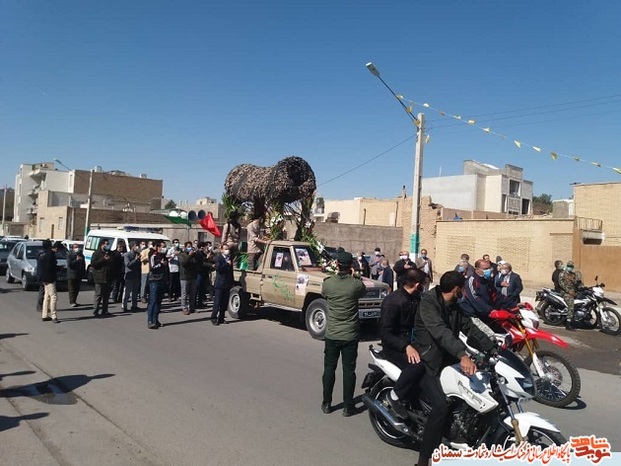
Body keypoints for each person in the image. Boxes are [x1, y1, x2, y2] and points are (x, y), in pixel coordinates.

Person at [412, 271, 496, 466]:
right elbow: (440, 332)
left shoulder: (455, 307)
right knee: (440, 407)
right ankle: (423, 460)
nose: (465, 292)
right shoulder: (428, 303)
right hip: (427, 360)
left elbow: (471, 329)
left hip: (447, 359)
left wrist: (493, 348)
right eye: (464, 288)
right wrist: (463, 355)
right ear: (457, 289)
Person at [320, 251, 367, 417]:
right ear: (351, 266)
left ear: (337, 264)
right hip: (350, 335)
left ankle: (327, 403)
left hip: (332, 334)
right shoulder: (356, 284)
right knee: (349, 371)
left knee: (329, 369)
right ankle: (348, 406)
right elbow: (363, 292)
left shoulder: (328, 283)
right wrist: (355, 276)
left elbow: (324, 295)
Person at [379, 268, 427, 418]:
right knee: (417, 365)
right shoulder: (393, 302)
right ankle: (394, 397)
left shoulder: (417, 299)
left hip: (414, 343)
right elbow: (385, 333)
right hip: (395, 347)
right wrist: (405, 347)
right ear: (417, 284)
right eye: (424, 284)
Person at [147, 241, 169, 329]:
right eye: (162, 247)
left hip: (162, 280)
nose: (163, 249)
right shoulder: (154, 256)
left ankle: (155, 319)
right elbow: (152, 267)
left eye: (164, 247)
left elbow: (166, 268)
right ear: (157, 247)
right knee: (153, 301)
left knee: (159, 302)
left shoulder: (163, 256)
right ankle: (150, 320)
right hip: (154, 281)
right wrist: (161, 264)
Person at [210, 243, 234, 325]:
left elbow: (231, 272)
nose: (227, 250)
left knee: (224, 303)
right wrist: (226, 264)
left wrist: (232, 282)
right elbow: (218, 268)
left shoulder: (229, 258)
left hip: (227, 284)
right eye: (225, 249)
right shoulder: (219, 258)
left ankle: (221, 318)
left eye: (228, 249)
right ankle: (213, 317)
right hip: (219, 284)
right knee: (217, 302)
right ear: (221, 250)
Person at [91, 239, 115, 317]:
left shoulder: (110, 253)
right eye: (106, 244)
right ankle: (95, 311)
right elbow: (93, 264)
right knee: (98, 295)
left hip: (108, 277)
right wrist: (103, 259)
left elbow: (113, 263)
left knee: (106, 295)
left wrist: (110, 259)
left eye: (108, 244)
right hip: (99, 277)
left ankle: (105, 310)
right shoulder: (96, 253)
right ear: (102, 244)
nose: (107, 245)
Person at [559, 260, 582, 331]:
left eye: (571, 267)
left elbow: (576, 283)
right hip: (565, 292)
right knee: (571, 304)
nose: (570, 268)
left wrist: (581, 286)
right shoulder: (562, 274)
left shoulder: (573, 275)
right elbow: (561, 284)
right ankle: (568, 324)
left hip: (572, 291)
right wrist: (568, 291)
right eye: (569, 266)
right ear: (567, 266)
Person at [40, 240, 60, 323]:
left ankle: (44, 315)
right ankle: (53, 316)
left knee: (47, 297)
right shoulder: (51, 255)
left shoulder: (45, 254)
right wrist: (58, 269)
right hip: (50, 278)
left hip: (45, 278)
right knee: (53, 297)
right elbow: (50, 268)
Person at [179, 241, 199, 315]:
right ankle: (184, 307)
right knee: (184, 293)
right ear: (185, 247)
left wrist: (195, 254)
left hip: (192, 276)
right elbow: (183, 263)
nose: (189, 248)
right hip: (184, 276)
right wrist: (189, 255)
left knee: (192, 293)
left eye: (191, 246)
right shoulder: (181, 255)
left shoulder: (194, 255)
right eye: (188, 246)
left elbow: (197, 263)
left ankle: (192, 307)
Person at [122, 241, 142, 312]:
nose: (137, 247)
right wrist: (135, 260)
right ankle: (124, 306)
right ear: (132, 247)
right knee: (127, 292)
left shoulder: (138, 254)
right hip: (129, 275)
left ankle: (134, 305)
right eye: (135, 246)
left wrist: (139, 260)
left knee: (135, 292)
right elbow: (128, 264)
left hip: (136, 275)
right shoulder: (127, 255)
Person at [66, 242, 86, 307]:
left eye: (78, 247)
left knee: (77, 289)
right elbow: (69, 264)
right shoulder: (69, 254)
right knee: (71, 289)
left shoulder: (81, 255)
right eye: (75, 247)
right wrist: (76, 260)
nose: (77, 249)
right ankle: (72, 302)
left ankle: (74, 300)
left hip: (78, 274)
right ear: (73, 248)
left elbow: (83, 264)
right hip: (71, 274)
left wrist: (83, 273)